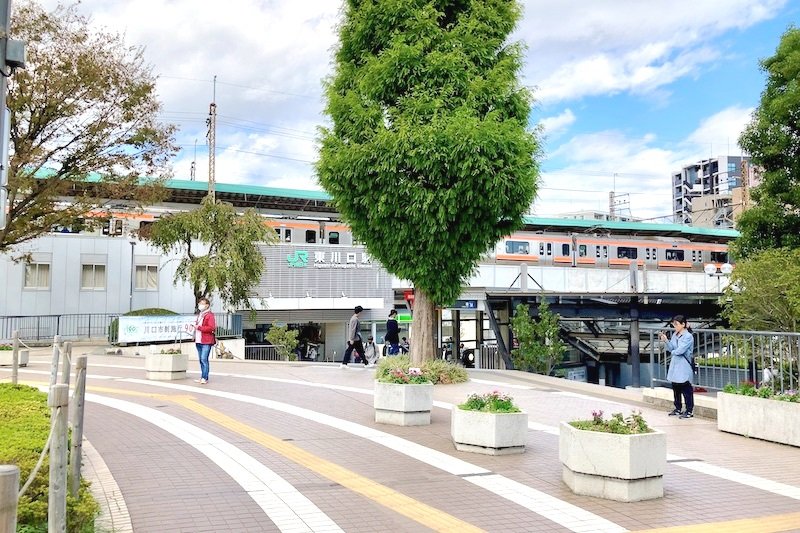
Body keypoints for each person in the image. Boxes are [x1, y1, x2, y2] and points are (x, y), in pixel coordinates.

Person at [660, 315, 695, 419]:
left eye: (676, 324)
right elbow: (672, 348)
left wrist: (674, 352)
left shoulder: (688, 336)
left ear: (683, 324)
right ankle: (678, 408)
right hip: (675, 364)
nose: (675, 326)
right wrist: (666, 340)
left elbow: (680, 350)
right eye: (674, 324)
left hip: (683, 364)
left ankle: (689, 410)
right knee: (676, 387)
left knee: (686, 387)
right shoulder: (675, 334)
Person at [190, 297, 216, 384]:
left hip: (206, 341)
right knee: (201, 360)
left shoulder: (209, 315)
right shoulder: (200, 314)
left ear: (207, 305)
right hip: (198, 340)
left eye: (202, 304)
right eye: (199, 303)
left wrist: (199, 327)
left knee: (204, 359)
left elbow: (211, 327)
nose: (200, 305)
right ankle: (203, 377)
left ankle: (205, 378)